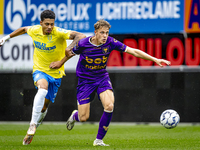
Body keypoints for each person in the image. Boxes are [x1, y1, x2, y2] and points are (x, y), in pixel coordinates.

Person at [50, 19, 171, 146]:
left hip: (101, 78)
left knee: (109, 106)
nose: (105, 36)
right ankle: (75, 116)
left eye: (107, 33)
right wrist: (59, 63)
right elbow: (70, 54)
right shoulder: (83, 44)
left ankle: (98, 140)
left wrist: (155, 59)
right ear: (95, 32)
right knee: (84, 118)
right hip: (85, 81)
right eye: (102, 33)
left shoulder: (110, 42)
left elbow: (133, 51)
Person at [0, 10, 86, 145]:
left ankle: (34, 128)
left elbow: (81, 36)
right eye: (47, 24)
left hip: (56, 74)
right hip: (40, 70)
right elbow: (23, 29)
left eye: (52, 24)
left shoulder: (58, 32)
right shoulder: (34, 30)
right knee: (42, 87)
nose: (50, 27)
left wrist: (68, 50)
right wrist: (6, 38)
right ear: (41, 23)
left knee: (44, 107)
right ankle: (32, 124)